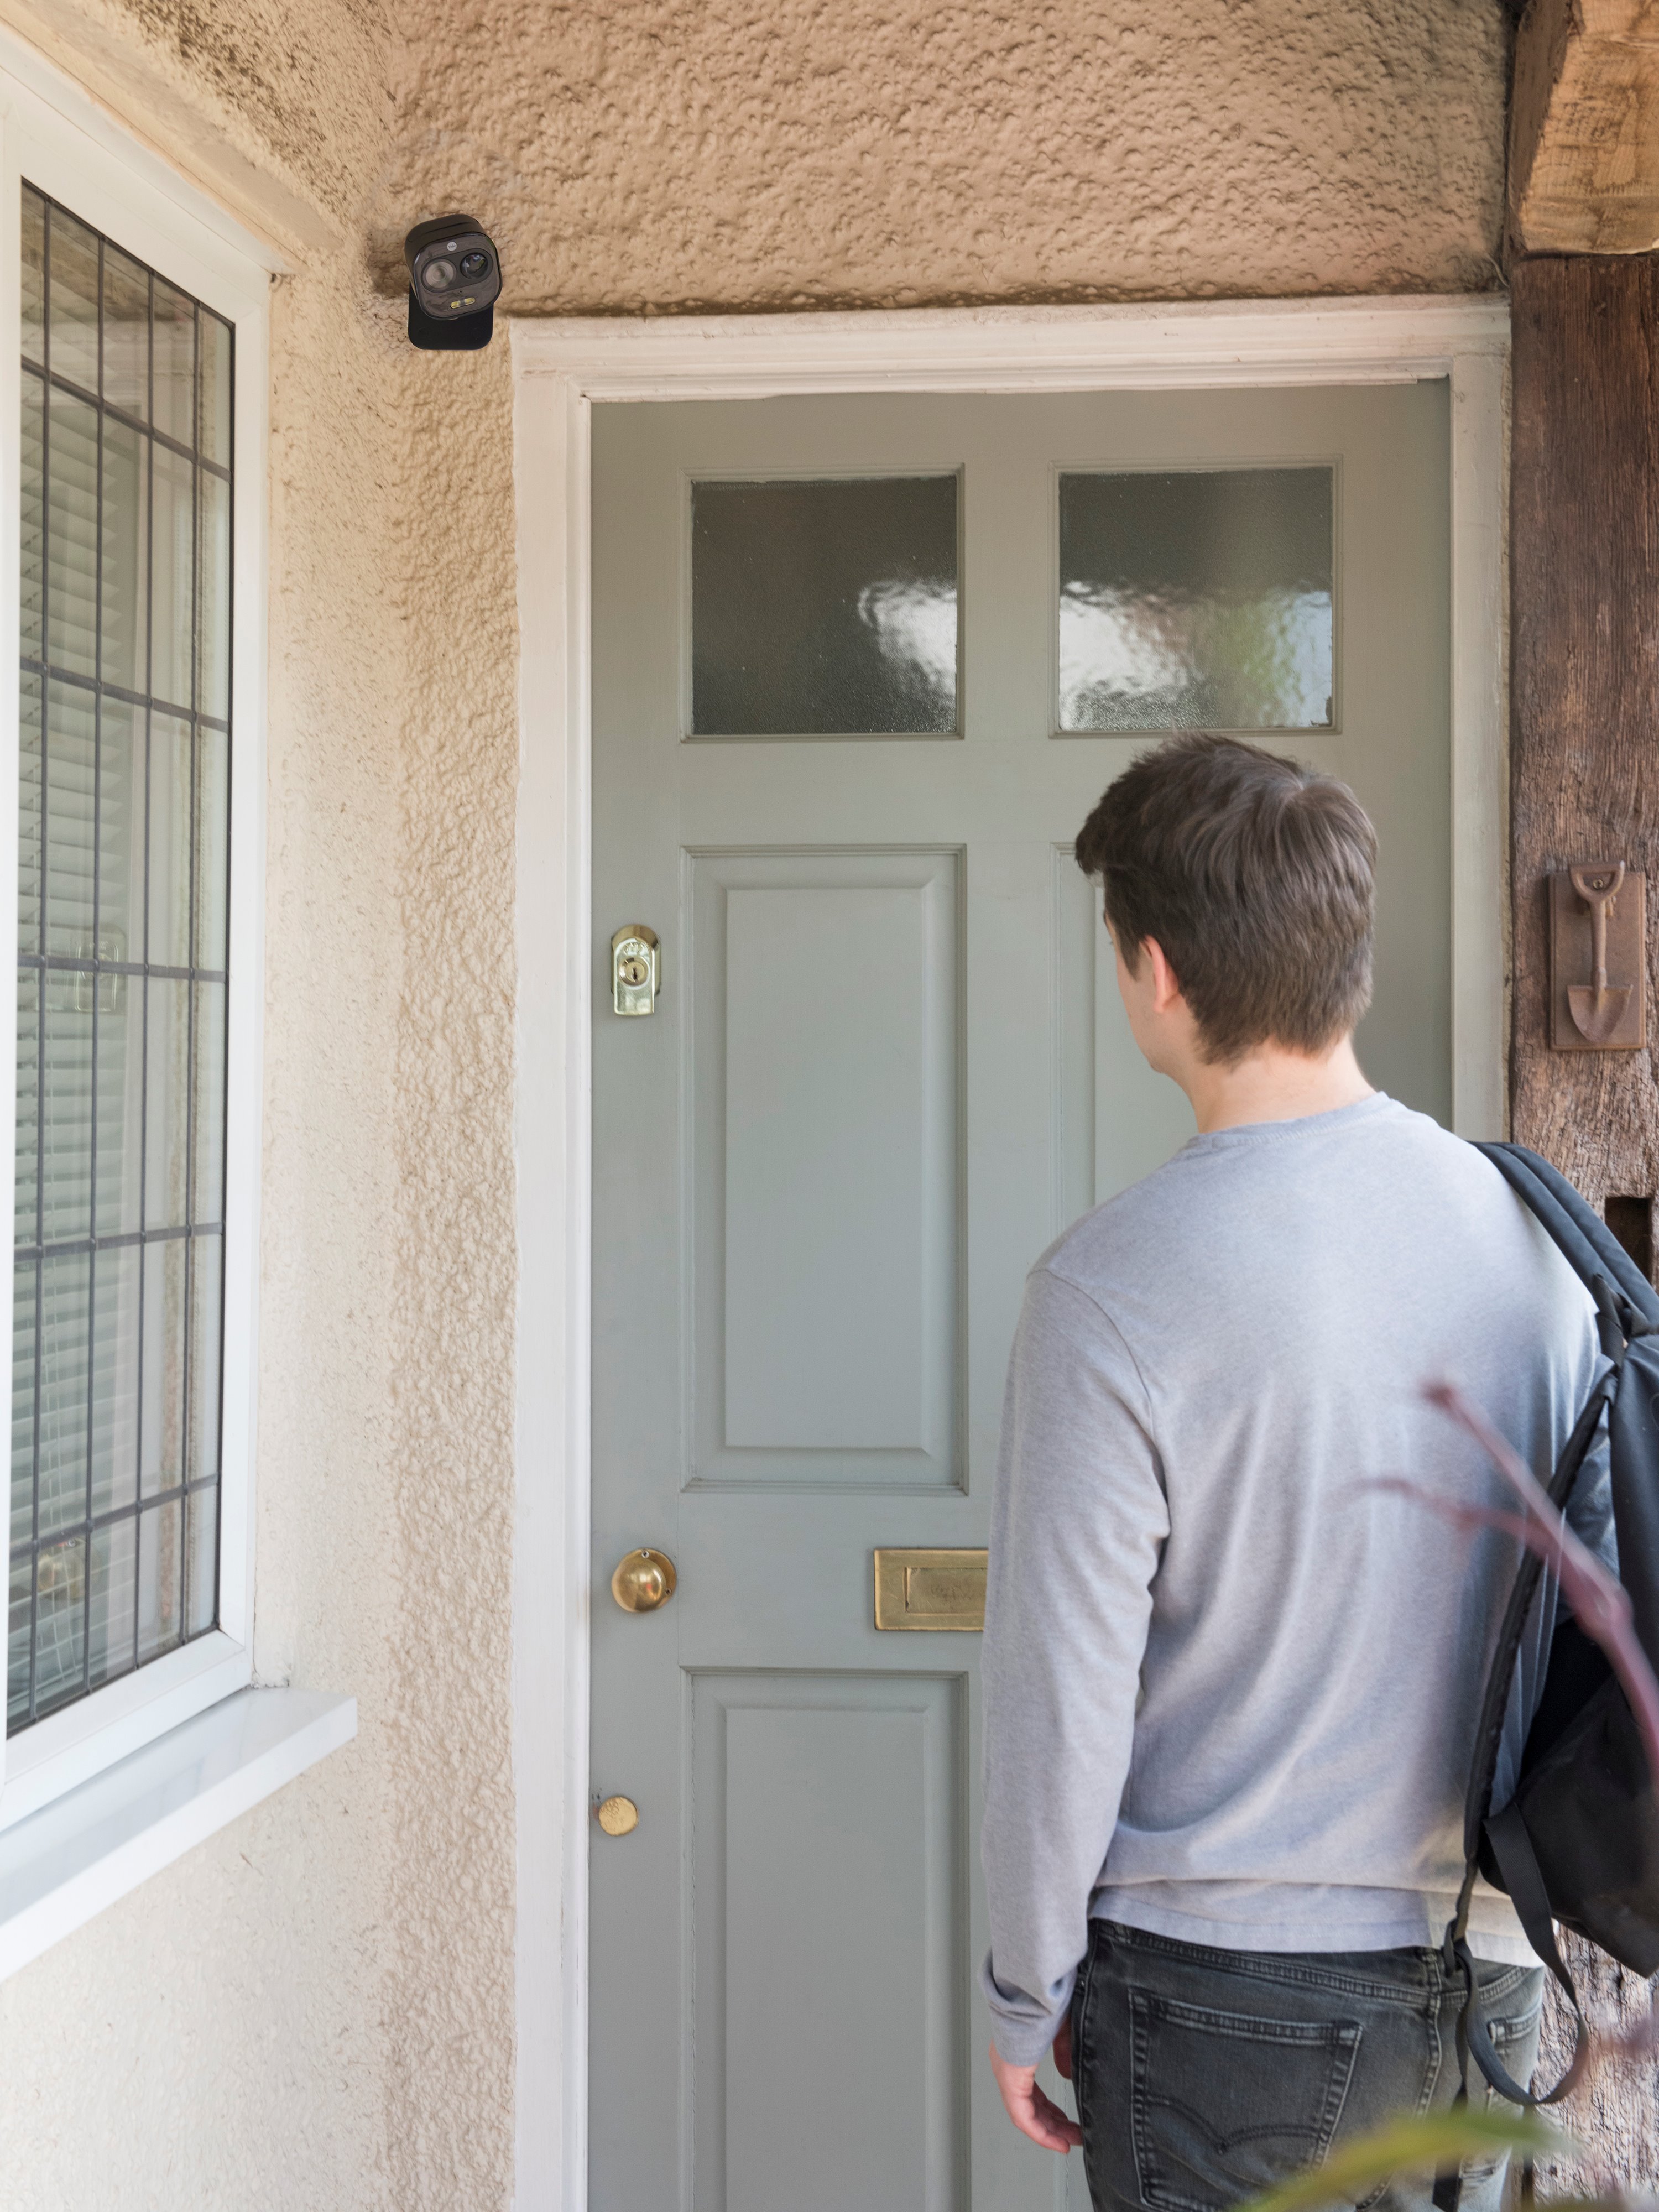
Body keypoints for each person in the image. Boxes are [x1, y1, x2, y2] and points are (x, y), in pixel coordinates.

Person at [980, 734, 1609, 2212]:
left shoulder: (1112, 1289)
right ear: (1348, 962)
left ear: (1158, 975)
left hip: (1227, 2001)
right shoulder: (1537, 1247)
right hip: (1494, 1981)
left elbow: (1061, 1693)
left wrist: (1025, 1992)